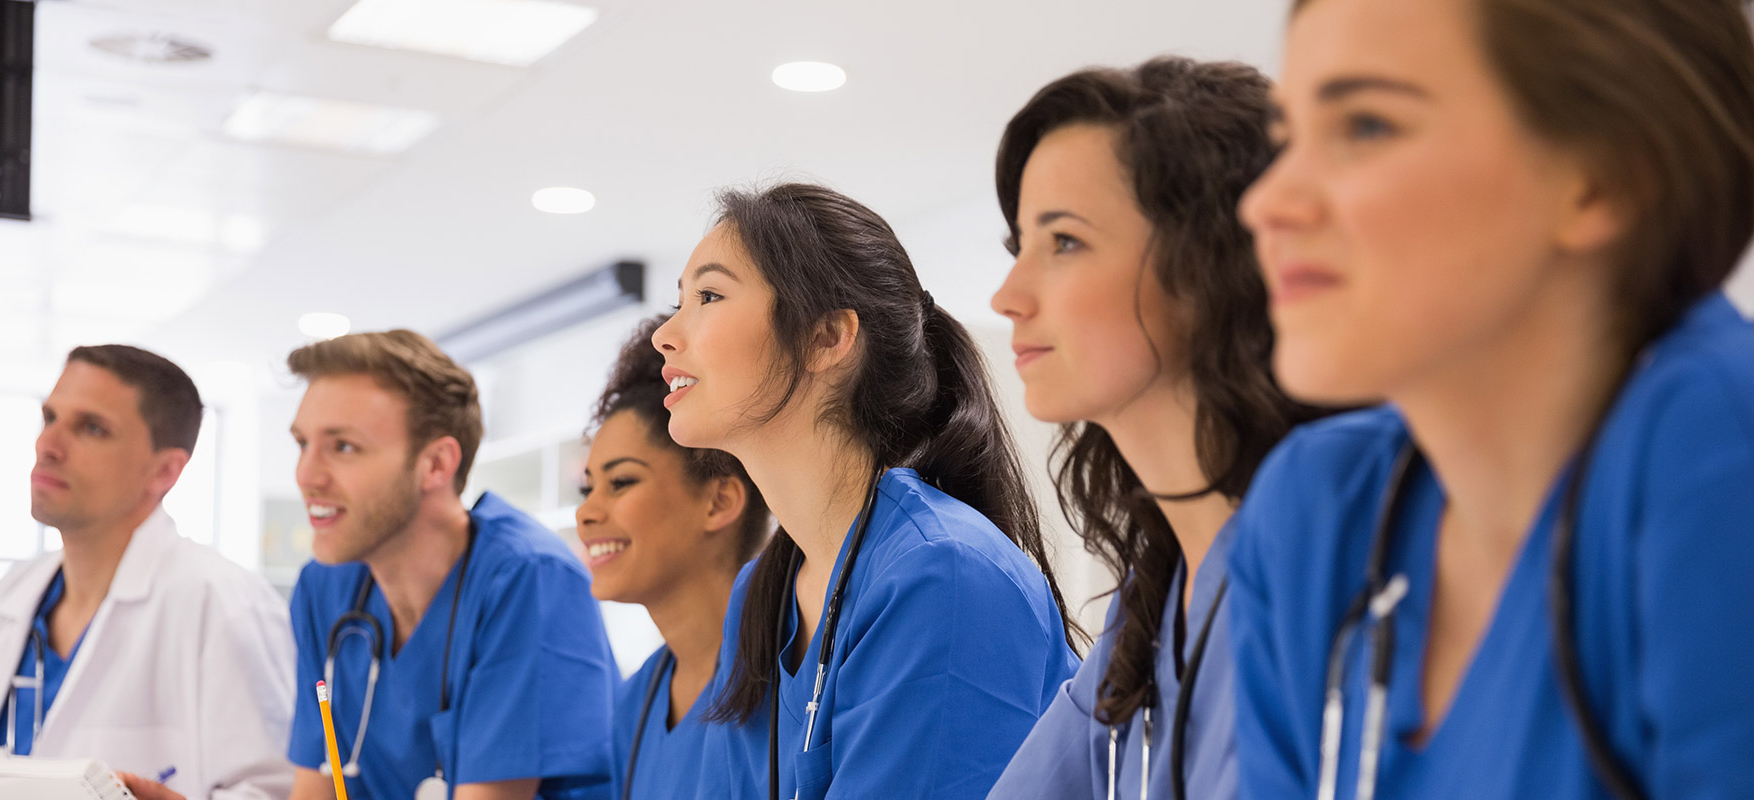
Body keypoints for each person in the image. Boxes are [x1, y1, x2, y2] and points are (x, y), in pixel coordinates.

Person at [1230, 0, 1754, 798]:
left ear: (1604, 177)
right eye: (1286, 140)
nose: (1266, 203)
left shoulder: (1719, 445)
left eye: (1366, 126)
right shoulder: (1315, 512)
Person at [653, 182, 1082, 800]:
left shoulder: (942, 573)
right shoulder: (761, 594)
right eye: (680, 301)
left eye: (709, 296)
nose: (664, 334)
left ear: (826, 338)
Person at [986, 58, 1319, 800]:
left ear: (1208, 266)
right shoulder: (1154, 602)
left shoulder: (1317, 567)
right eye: (1020, 248)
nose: (1008, 296)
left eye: (1063, 242)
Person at [283, 330, 616, 800]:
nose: (306, 476)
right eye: (302, 444)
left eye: (343, 447)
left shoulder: (528, 578)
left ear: (436, 463)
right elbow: (315, 788)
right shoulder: (325, 587)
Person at [0, 345, 294, 800]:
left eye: (91, 428)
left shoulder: (224, 603)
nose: (48, 445)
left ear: (165, 470)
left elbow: (279, 791)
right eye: (49, 418)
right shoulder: (2, 602)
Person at [578, 314, 771, 800]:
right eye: (588, 487)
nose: (586, 513)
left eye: (621, 482)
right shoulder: (636, 703)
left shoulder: (788, 676)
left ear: (719, 501)